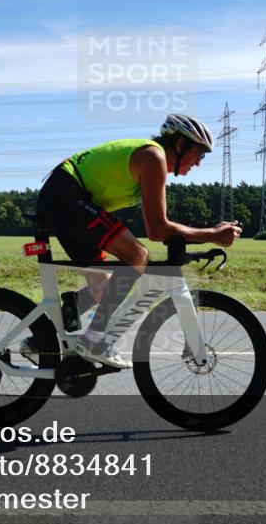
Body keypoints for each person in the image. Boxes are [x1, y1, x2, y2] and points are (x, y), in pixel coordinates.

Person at [25, 114, 242, 369]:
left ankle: (43, 338)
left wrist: (205, 234)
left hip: (67, 197)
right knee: (137, 255)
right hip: (66, 195)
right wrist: (212, 235)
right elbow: (158, 230)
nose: (199, 164)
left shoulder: (154, 160)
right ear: (181, 145)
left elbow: (161, 225)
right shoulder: (153, 157)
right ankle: (94, 341)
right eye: (200, 154)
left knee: (103, 289)